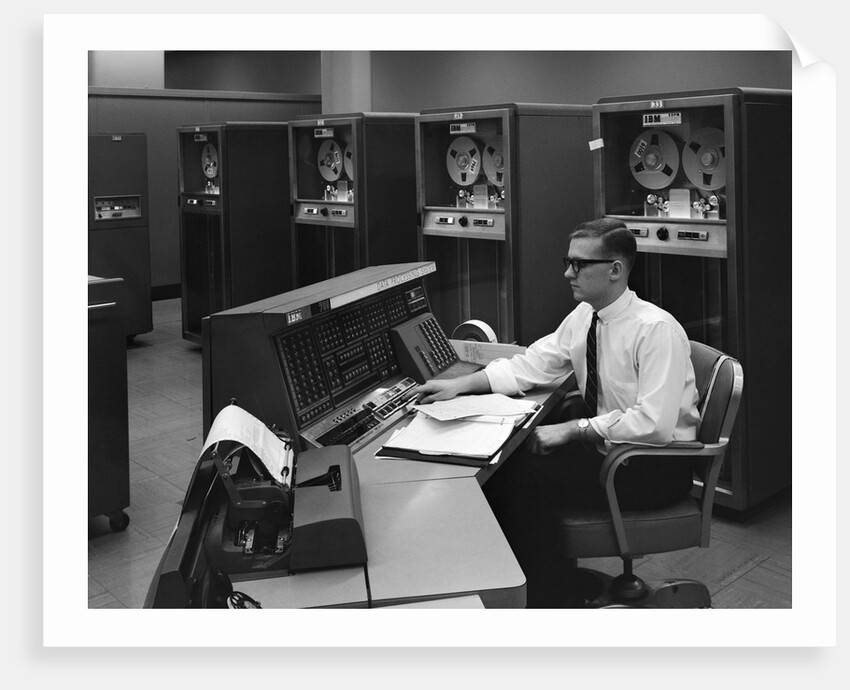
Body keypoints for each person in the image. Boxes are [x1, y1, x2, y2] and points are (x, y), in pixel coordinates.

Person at [415, 217, 701, 607]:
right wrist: (462, 384)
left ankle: (551, 601)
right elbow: (535, 363)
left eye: (580, 264)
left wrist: (573, 430)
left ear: (615, 270)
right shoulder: (587, 315)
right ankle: (549, 583)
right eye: (568, 261)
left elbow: (653, 424)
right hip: (611, 451)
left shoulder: (655, 330)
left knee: (520, 483)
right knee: (507, 470)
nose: (569, 273)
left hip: (653, 464)